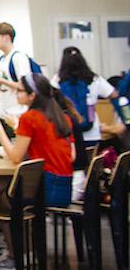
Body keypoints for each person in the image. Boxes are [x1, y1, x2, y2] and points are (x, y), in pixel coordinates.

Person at [0, 73, 76, 270]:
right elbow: (68, 154)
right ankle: (14, 251)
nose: (15, 92)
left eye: (19, 90)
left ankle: (13, 255)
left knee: (5, 199)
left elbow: (16, 156)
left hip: (46, 190)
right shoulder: (62, 117)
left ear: (32, 95)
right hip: (64, 187)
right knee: (0, 186)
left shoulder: (30, 117)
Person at [51, 47, 114, 199]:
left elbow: (50, 101)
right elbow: (113, 94)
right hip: (92, 133)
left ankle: (71, 198)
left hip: (68, 133)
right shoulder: (93, 79)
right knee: (91, 169)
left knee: (72, 168)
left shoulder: (57, 80)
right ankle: (90, 201)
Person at [0, 22, 35, 124]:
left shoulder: (18, 57)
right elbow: (3, 91)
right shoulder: (1, 60)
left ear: (6, 38)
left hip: (18, 114)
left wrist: (1, 81)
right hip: (4, 114)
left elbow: (25, 86)